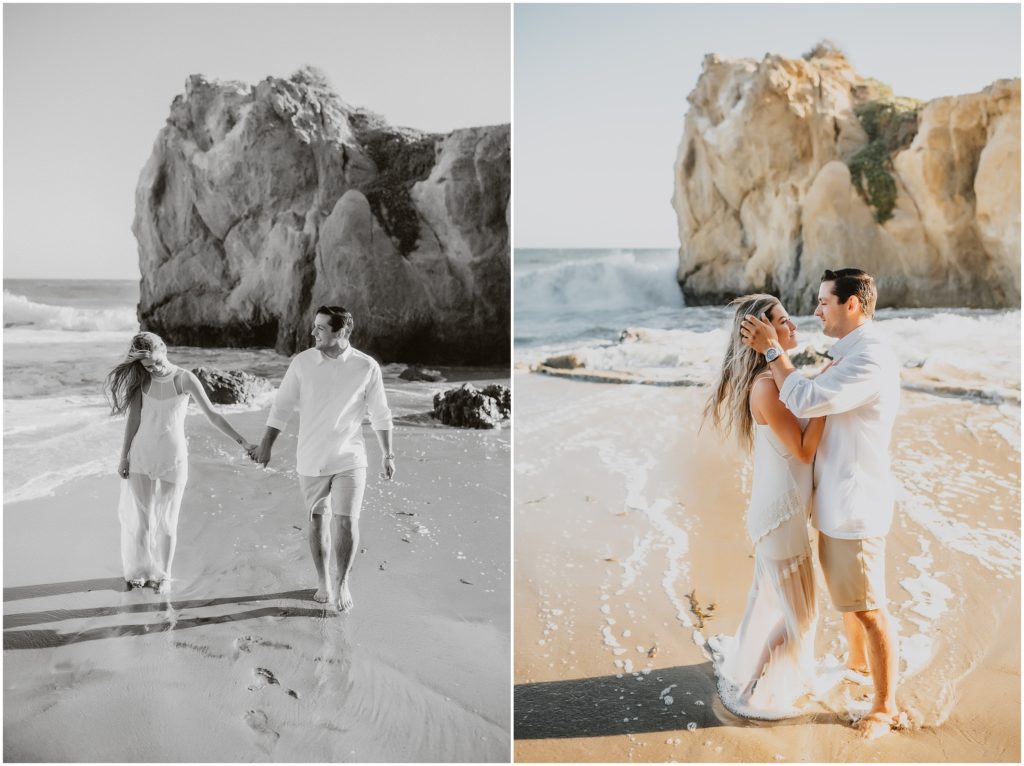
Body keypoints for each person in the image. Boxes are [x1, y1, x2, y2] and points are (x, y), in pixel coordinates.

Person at [740, 268, 902, 739]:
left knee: (869, 606)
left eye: (823, 302)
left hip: (854, 505)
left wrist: (772, 350)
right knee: (852, 601)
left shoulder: (867, 358)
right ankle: (856, 665)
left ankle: (886, 705)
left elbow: (808, 401)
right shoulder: (846, 354)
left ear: (852, 305)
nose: (815, 312)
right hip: (834, 504)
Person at [703, 294, 826, 719]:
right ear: (762, 334)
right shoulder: (767, 387)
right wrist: (825, 402)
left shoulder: (776, 380)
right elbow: (805, 451)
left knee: (767, 601)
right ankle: (752, 696)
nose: (793, 327)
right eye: (782, 322)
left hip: (775, 511)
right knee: (802, 618)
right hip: (781, 516)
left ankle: (742, 672)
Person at [249, 306, 394, 613]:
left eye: (320, 328)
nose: (312, 333)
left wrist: (387, 453)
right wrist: (266, 445)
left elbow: (380, 413)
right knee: (318, 521)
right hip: (311, 456)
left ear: (341, 332)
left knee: (346, 521)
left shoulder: (366, 366)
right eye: (314, 327)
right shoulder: (302, 363)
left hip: (350, 456)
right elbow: (282, 407)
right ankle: (322, 581)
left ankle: (341, 582)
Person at [105, 332, 256, 594]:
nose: (154, 368)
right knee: (143, 522)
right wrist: (124, 456)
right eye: (147, 366)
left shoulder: (185, 378)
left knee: (167, 523)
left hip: (173, 458)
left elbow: (213, 416)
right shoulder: (142, 380)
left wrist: (242, 442)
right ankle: (141, 570)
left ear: (163, 348)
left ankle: (164, 575)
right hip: (141, 456)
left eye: (156, 361)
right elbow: (134, 420)